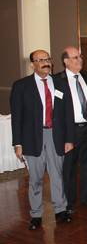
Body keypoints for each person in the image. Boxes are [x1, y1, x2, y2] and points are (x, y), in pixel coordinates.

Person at [10, 50, 76, 230]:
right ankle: (36, 214)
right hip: (31, 137)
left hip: (56, 135)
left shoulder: (61, 84)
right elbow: (17, 118)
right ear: (32, 64)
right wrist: (18, 144)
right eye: (40, 60)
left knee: (57, 175)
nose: (45, 63)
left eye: (47, 59)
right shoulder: (21, 86)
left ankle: (60, 210)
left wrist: (69, 138)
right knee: (36, 178)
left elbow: (68, 113)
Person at [55, 47, 87, 214]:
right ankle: (68, 201)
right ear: (65, 61)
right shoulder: (57, 81)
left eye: (80, 56)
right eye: (75, 57)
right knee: (69, 167)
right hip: (70, 130)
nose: (80, 59)